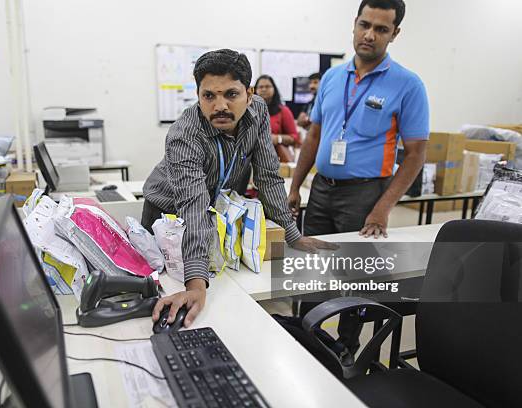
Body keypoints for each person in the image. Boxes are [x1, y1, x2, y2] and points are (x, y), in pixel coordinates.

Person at [142, 49, 335, 328]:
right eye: (209, 96)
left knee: (225, 295)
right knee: (179, 303)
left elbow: (268, 175)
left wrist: (293, 236)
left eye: (231, 94)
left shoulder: (257, 112)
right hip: (168, 214)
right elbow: (192, 208)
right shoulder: (185, 135)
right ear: (198, 95)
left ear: (249, 92)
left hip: (215, 211)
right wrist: (196, 285)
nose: (220, 105)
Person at [287, 0, 429, 362]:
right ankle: (308, 338)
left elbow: (415, 155)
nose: (370, 34)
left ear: (394, 34)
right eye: (365, 24)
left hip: (365, 195)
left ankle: (344, 349)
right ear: (354, 24)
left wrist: (382, 208)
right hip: (321, 191)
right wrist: (294, 187)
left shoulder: (408, 85)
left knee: (353, 278)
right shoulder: (333, 78)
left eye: (381, 29)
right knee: (313, 273)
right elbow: (314, 137)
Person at [254, 75, 300, 162]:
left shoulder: (283, 111)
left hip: (276, 160)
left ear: (274, 89)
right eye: (260, 87)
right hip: (252, 160)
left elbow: (294, 137)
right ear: (255, 90)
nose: (264, 89)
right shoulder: (249, 110)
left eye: (267, 86)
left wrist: (277, 138)